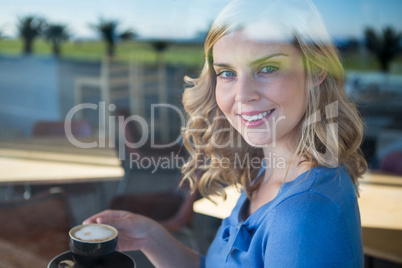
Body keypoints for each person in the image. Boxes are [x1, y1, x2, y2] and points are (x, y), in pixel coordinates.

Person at [84, 0, 367, 267]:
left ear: (316, 70)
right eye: (227, 73)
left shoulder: (303, 214)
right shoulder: (269, 169)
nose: (242, 96)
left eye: (268, 68)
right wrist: (149, 236)